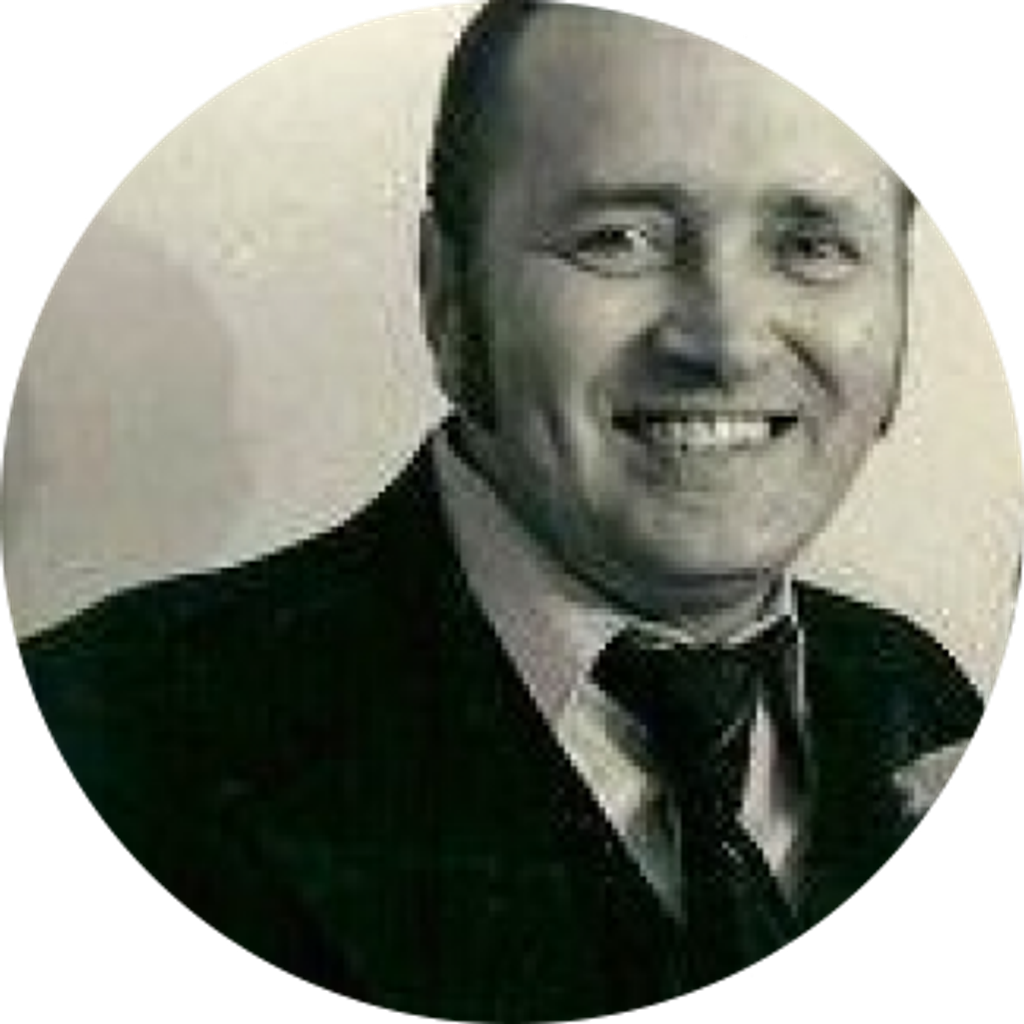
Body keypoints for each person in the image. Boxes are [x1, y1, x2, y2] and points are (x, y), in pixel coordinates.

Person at [19, 3, 985, 1019]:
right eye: (617, 239)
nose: (726, 342)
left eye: (812, 245)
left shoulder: (914, 699)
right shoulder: (106, 738)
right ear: (448, 294)